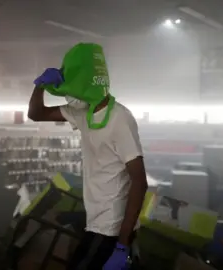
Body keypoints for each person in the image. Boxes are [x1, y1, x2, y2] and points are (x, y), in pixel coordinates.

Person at [28, 66, 148, 268]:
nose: (69, 97)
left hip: (111, 228)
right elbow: (36, 113)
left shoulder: (120, 119)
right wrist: (40, 86)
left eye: (72, 90)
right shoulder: (83, 113)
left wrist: (122, 244)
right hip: (96, 220)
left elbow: (139, 181)